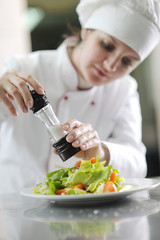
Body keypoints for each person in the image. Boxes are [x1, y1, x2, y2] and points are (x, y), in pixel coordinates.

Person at [0, 0, 160, 193]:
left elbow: (137, 164)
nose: (111, 65)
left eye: (126, 61)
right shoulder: (24, 68)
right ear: (86, 31)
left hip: (81, 215)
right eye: (107, 45)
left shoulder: (124, 89)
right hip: (14, 208)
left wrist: (99, 151)